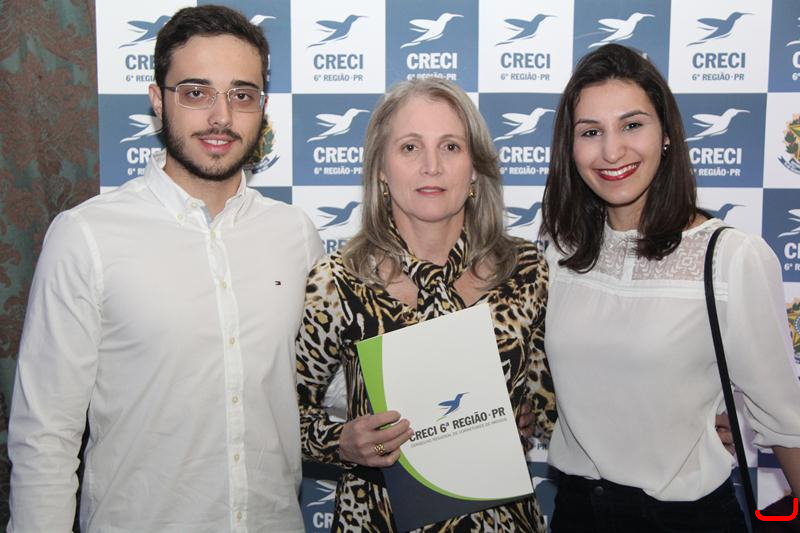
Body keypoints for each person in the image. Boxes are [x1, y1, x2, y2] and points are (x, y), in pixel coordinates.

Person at [7, 5, 322, 532]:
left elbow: (328, 386)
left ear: (262, 107)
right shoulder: (86, 236)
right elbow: (45, 437)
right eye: (196, 93)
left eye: (242, 95)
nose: (221, 117)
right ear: (158, 100)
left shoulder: (295, 235)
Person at [540, 43, 800, 532]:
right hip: (575, 513)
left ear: (666, 135)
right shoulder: (559, 253)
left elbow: (788, 422)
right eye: (591, 132)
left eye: (632, 125)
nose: (611, 151)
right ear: (570, 148)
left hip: (685, 519)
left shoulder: (730, 256)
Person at [295, 77, 556, 532]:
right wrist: (341, 441)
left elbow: (551, 403)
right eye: (410, 147)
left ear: (474, 169)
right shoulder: (337, 281)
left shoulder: (525, 270)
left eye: (451, 147)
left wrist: (523, 412)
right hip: (378, 520)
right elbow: (281, 417)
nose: (431, 166)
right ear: (381, 169)